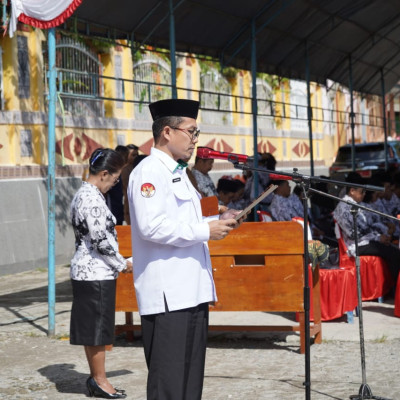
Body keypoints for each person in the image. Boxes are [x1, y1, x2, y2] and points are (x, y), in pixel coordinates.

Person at [127, 98, 244, 400]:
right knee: (169, 384)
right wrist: (206, 230)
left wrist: (220, 214)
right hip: (168, 295)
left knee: (190, 382)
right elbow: (151, 226)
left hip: (191, 288)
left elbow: (192, 208)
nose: (195, 140)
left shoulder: (179, 171)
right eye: (191, 132)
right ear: (167, 132)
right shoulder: (149, 172)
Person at [70, 147, 133, 399]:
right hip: (96, 271)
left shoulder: (82, 194)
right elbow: (101, 241)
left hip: (87, 270)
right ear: (104, 174)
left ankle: (97, 378)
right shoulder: (93, 199)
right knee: (97, 331)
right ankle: (100, 380)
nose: (115, 184)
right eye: (116, 179)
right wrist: (123, 264)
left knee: (92, 330)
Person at [333, 172, 400, 280]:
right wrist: (378, 238)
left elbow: (366, 225)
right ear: (352, 191)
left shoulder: (354, 204)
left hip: (364, 241)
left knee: (393, 248)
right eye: (361, 192)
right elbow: (355, 234)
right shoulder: (344, 207)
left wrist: (380, 236)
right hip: (356, 245)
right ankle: (394, 289)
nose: (364, 194)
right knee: (394, 253)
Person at [106, 145, 129, 225]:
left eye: (126, 156)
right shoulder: (111, 171)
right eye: (122, 156)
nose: (124, 158)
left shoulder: (124, 170)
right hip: (111, 209)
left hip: (120, 209)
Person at [121, 144, 140, 224]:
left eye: (137, 155)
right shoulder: (125, 170)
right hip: (129, 204)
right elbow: (127, 186)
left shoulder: (139, 167)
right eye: (133, 155)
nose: (135, 157)